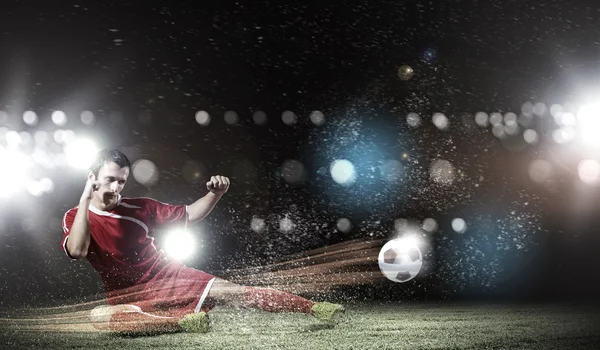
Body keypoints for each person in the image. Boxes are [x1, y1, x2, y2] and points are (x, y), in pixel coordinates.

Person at [61, 149, 343, 334]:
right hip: (127, 296)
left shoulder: (140, 207)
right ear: (92, 178)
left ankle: (315, 308)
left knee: (234, 292)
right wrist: (85, 199)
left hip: (170, 276)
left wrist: (215, 195)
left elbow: (190, 214)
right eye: (110, 179)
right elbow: (77, 250)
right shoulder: (74, 216)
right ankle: (181, 323)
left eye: (121, 182)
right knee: (99, 317)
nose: (116, 188)